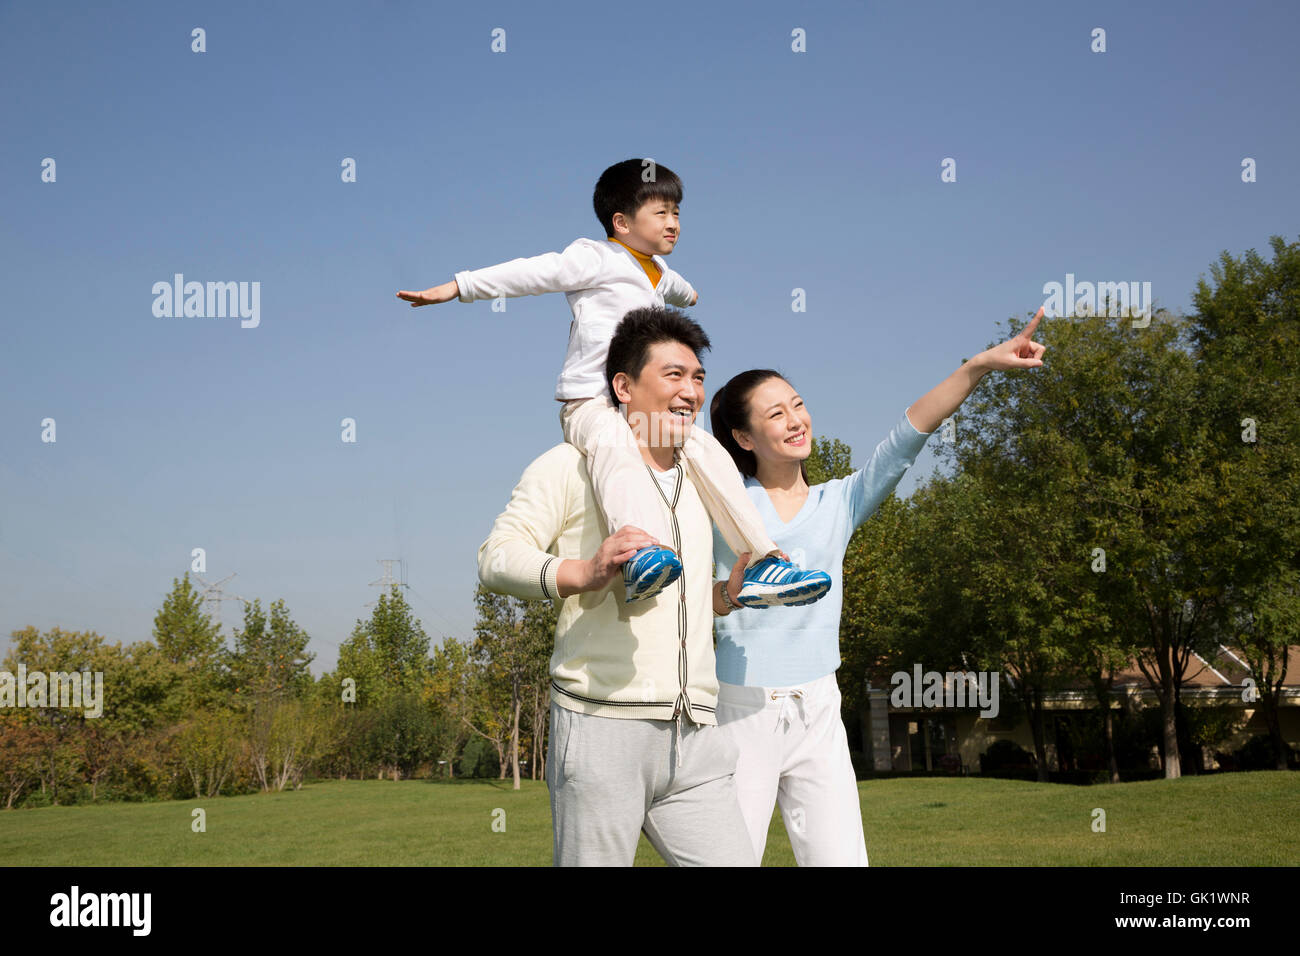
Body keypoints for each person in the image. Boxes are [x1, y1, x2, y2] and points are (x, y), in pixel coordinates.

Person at [400, 158, 829, 608]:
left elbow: (677, 286)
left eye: (677, 213)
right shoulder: (595, 257)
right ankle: (639, 550)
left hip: (643, 407)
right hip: (592, 401)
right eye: (660, 213)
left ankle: (763, 562)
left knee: (708, 451)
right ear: (621, 222)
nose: (674, 223)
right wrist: (458, 286)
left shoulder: (658, 272)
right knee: (615, 449)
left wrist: (690, 294)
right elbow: (533, 272)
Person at [707, 309, 1046, 866]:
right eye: (776, 414)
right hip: (742, 709)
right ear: (743, 437)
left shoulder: (837, 502)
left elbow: (908, 434)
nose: (796, 420)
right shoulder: (724, 506)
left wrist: (980, 366)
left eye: (798, 404)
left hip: (819, 706)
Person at [477, 306, 758, 867]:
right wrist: (584, 572)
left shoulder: (703, 473)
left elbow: (680, 602)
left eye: (698, 377)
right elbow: (495, 558)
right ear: (623, 387)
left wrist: (725, 595)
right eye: (673, 375)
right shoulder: (569, 463)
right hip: (603, 725)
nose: (690, 391)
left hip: (696, 731)